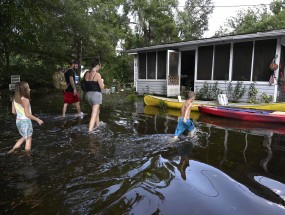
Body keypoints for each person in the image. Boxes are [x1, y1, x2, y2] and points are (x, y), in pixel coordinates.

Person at [8, 81, 44, 154]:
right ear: (24, 90)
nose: (29, 89)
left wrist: (20, 116)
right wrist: (38, 119)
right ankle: (27, 155)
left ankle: (12, 150)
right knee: (28, 138)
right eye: (28, 88)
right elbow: (27, 114)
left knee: (24, 136)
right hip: (26, 122)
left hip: (18, 121)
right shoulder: (25, 100)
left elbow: (13, 112)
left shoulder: (14, 99)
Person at [84, 57, 104, 132]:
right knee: (94, 114)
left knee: (97, 111)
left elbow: (86, 84)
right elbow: (102, 87)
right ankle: (90, 131)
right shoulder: (97, 74)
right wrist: (102, 81)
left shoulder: (86, 73)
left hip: (88, 95)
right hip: (96, 95)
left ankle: (97, 125)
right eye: (99, 67)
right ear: (97, 65)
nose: (99, 68)